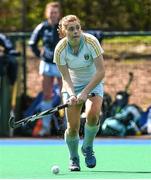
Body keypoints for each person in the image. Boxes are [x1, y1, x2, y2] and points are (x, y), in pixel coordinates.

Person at [53, 15, 105, 171]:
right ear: (63, 32)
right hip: (72, 85)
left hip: (93, 82)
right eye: (71, 29)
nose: (76, 31)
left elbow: (101, 72)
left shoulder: (91, 42)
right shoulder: (60, 49)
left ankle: (87, 147)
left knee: (93, 113)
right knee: (72, 126)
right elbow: (65, 78)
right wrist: (72, 94)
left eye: (78, 27)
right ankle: (74, 157)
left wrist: (85, 92)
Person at [28, 2, 62, 136]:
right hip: (47, 64)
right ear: (47, 13)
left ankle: (67, 127)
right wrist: (40, 55)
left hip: (61, 64)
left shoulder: (63, 27)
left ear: (59, 14)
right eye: (51, 12)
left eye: (56, 12)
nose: (53, 15)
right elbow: (32, 43)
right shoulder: (42, 27)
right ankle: (45, 127)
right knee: (47, 96)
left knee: (65, 96)